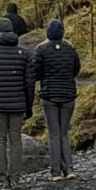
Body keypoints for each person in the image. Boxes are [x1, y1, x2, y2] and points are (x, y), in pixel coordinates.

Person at [0, 16, 35, 190]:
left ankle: (2, 179)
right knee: (15, 140)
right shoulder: (24, 53)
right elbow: (29, 83)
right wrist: (29, 105)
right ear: (12, 31)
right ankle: (15, 178)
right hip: (18, 104)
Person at [34, 18, 80, 180]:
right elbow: (76, 70)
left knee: (53, 134)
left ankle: (55, 172)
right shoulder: (71, 49)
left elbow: (36, 73)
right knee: (64, 133)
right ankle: (69, 169)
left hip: (49, 95)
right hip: (68, 94)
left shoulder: (41, 50)